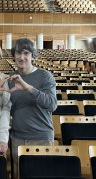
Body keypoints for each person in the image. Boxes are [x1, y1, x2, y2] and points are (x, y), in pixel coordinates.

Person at [8, 38, 57, 178]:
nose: (21, 57)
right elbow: (9, 108)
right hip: (18, 138)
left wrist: (28, 88)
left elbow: (52, 105)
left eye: (26, 53)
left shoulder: (45, 76)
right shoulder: (11, 78)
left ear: (33, 56)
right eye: (18, 53)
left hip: (41, 137)